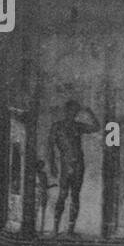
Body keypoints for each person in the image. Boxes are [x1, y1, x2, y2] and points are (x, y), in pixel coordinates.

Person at [48, 100, 99, 236]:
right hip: (66, 165)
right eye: (71, 111)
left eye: (76, 112)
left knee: (75, 196)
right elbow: (50, 147)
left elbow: (96, 127)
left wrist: (89, 112)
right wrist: (52, 164)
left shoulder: (78, 126)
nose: (74, 114)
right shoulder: (57, 126)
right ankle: (55, 228)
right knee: (63, 195)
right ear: (66, 111)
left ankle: (70, 229)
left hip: (78, 165)